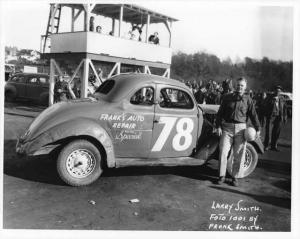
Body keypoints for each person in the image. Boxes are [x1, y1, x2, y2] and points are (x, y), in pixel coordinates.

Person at [216, 77, 260, 187]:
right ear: (235, 85)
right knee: (223, 151)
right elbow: (220, 113)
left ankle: (234, 177)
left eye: (242, 85)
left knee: (239, 154)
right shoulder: (227, 97)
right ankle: (222, 176)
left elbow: (253, 115)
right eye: (238, 85)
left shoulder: (248, 99)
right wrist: (218, 126)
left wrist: (258, 128)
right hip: (227, 128)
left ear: (245, 87)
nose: (239, 87)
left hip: (241, 129)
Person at [263, 85, 287, 151]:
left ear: (281, 91)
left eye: (279, 91)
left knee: (276, 132)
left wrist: (285, 117)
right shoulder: (269, 98)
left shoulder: (282, 98)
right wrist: (272, 101)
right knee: (268, 132)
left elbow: (284, 109)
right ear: (274, 91)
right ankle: (266, 145)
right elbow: (264, 106)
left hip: (278, 117)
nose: (277, 92)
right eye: (276, 90)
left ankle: (273, 146)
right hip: (270, 117)